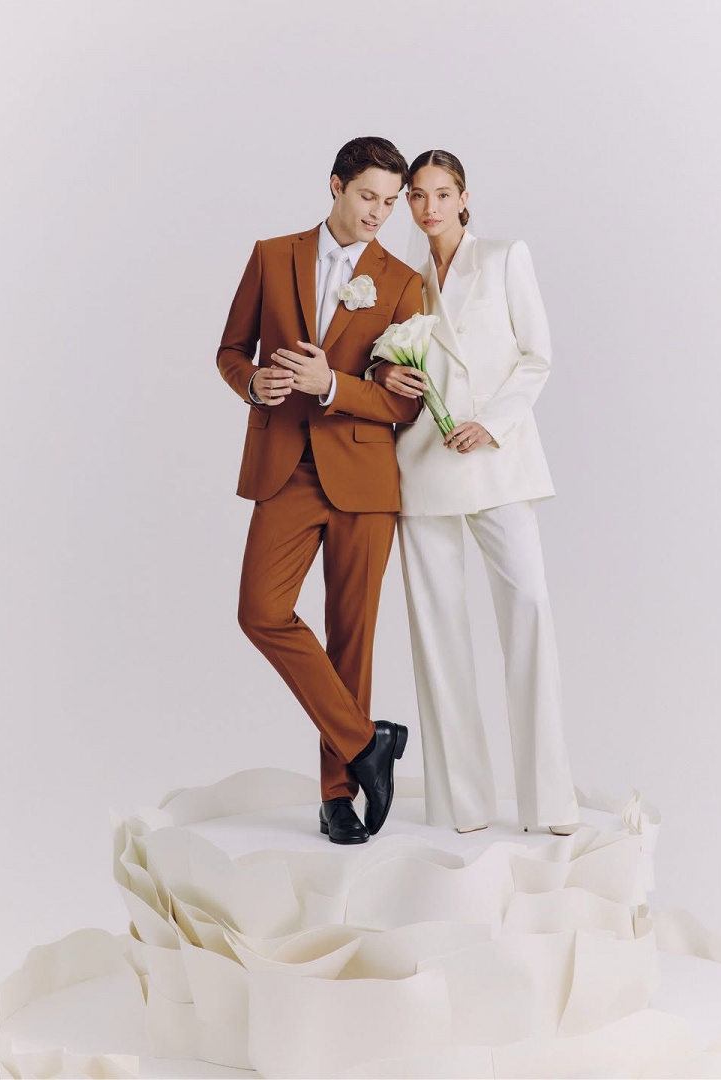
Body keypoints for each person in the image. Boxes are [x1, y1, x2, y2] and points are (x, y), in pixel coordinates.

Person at [216, 137, 424, 845]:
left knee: (351, 637)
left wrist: (333, 385)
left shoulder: (402, 281)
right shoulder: (273, 255)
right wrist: (253, 383)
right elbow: (231, 350)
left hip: (365, 478)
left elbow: (404, 403)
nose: (379, 213)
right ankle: (368, 743)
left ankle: (338, 797)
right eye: (368, 196)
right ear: (335, 185)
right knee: (261, 611)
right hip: (286, 466)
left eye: (390, 202)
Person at [367, 149, 580, 835]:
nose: (429, 207)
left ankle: (549, 802)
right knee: (438, 634)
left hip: (496, 458)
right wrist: (382, 371)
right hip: (424, 462)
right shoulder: (400, 277)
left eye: (442, 193)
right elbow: (374, 351)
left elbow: (537, 356)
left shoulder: (505, 256)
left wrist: (492, 423)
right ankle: (465, 805)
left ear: (464, 197)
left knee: (529, 607)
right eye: (417, 196)